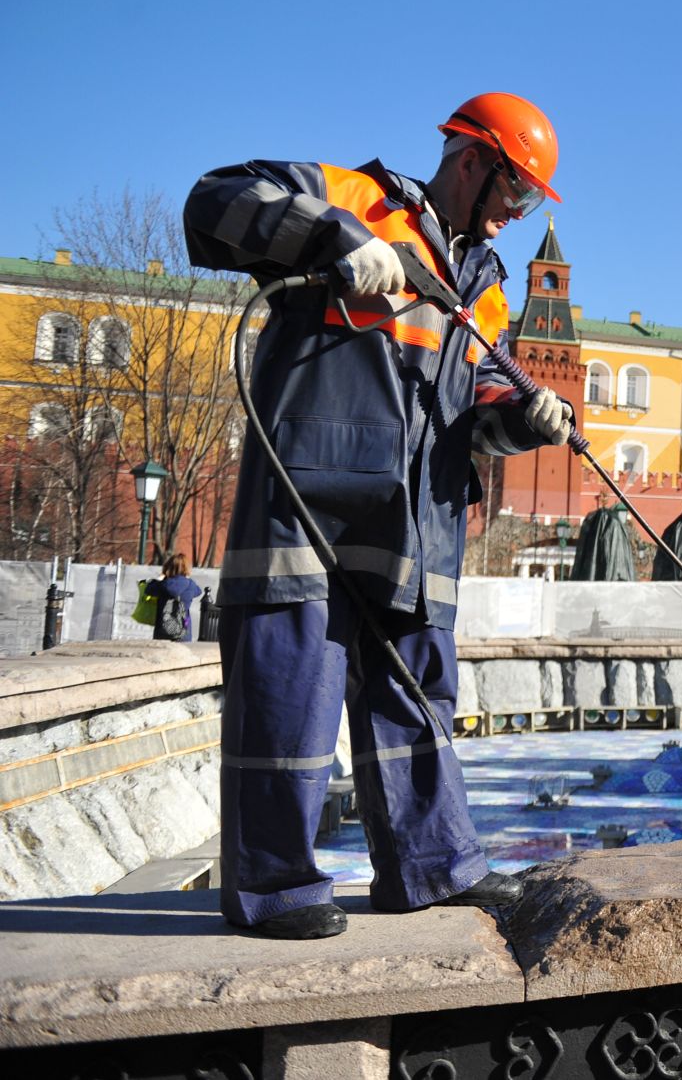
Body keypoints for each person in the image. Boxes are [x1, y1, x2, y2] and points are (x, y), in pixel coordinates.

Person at [183, 93, 574, 940]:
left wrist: (524, 420)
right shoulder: (357, 199)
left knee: (417, 697)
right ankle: (275, 887)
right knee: (289, 686)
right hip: (308, 500)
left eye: (528, 206)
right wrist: (331, 238)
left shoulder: (487, 294)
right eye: (515, 197)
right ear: (472, 161)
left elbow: (475, 414)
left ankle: (432, 869)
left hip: (419, 520)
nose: (513, 220)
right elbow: (211, 202)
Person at [148, 552, 204, 641]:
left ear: (168, 567)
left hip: (162, 631)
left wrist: (161, 577)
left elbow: (148, 589)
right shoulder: (190, 585)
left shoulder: (162, 584)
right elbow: (199, 591)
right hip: (184, 632)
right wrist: (187, 578)